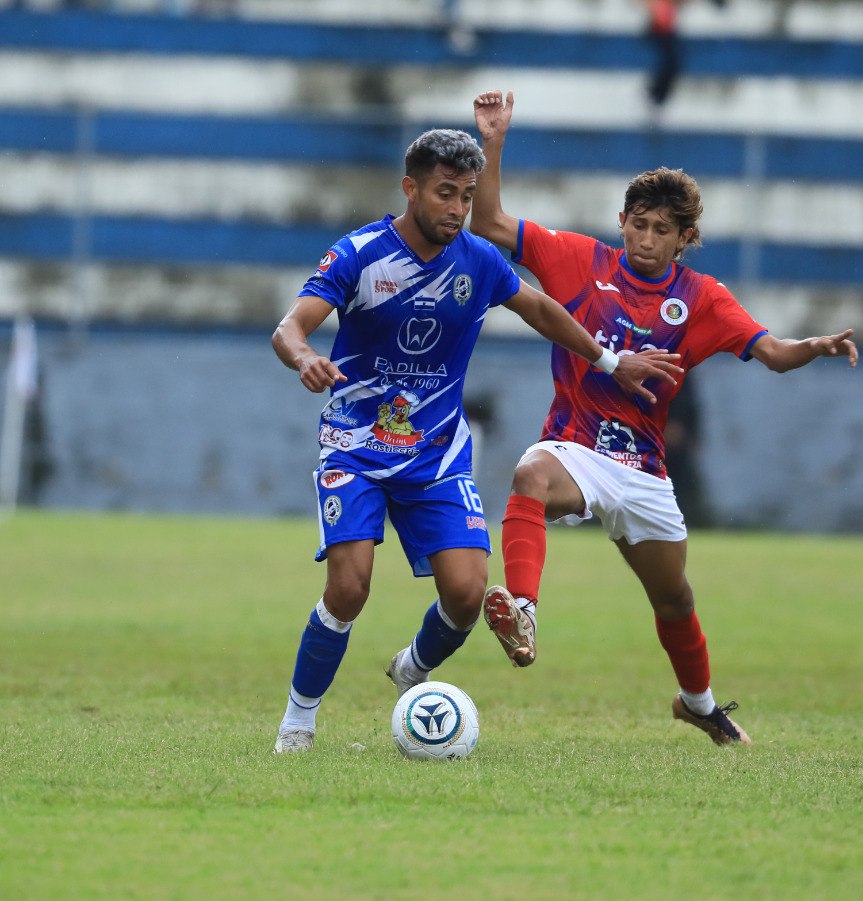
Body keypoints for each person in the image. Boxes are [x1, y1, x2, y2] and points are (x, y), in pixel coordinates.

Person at [270, 127, 679, 754]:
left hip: (435, 455)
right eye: (444, 194)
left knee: (465, 596)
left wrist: (607, 360)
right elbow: (290, 328)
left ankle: (412, 669)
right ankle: (298, 723)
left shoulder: (479, 260)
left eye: (465, 196)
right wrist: (304, 360)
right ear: (411, 189)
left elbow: (540, 310)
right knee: (349, 587)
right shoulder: (360, 253)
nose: (458, 209)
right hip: (355, 447)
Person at [469, 90, 859, 747]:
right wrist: (494, 142)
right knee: (530, 471)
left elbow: (771, 352)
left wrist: (812, 347)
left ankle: (699, 703)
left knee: (674, 599)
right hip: (577, 449)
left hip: (645, 470)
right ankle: (524, 613)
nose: (646, 240)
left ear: (685, 238)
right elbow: (490, 224)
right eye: (638, 224)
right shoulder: (577, 260)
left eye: (661, 230)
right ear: (622, 220)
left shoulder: (702, 298)